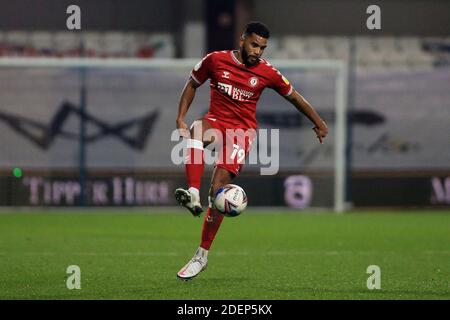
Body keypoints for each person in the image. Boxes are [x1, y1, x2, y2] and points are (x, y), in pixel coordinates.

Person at [175, 21, 328, 280]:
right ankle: (191, 193)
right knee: (196, 129)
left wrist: (318, 121)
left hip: (242, 132)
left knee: (217, 193)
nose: (258, 51)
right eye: (254, 44)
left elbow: (295, 97)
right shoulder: (215, 60)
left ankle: (201, 256)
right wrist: (180, 117)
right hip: (217, 121)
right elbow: (192, 85)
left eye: (262, 47)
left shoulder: (268, 73)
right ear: (242, 39)